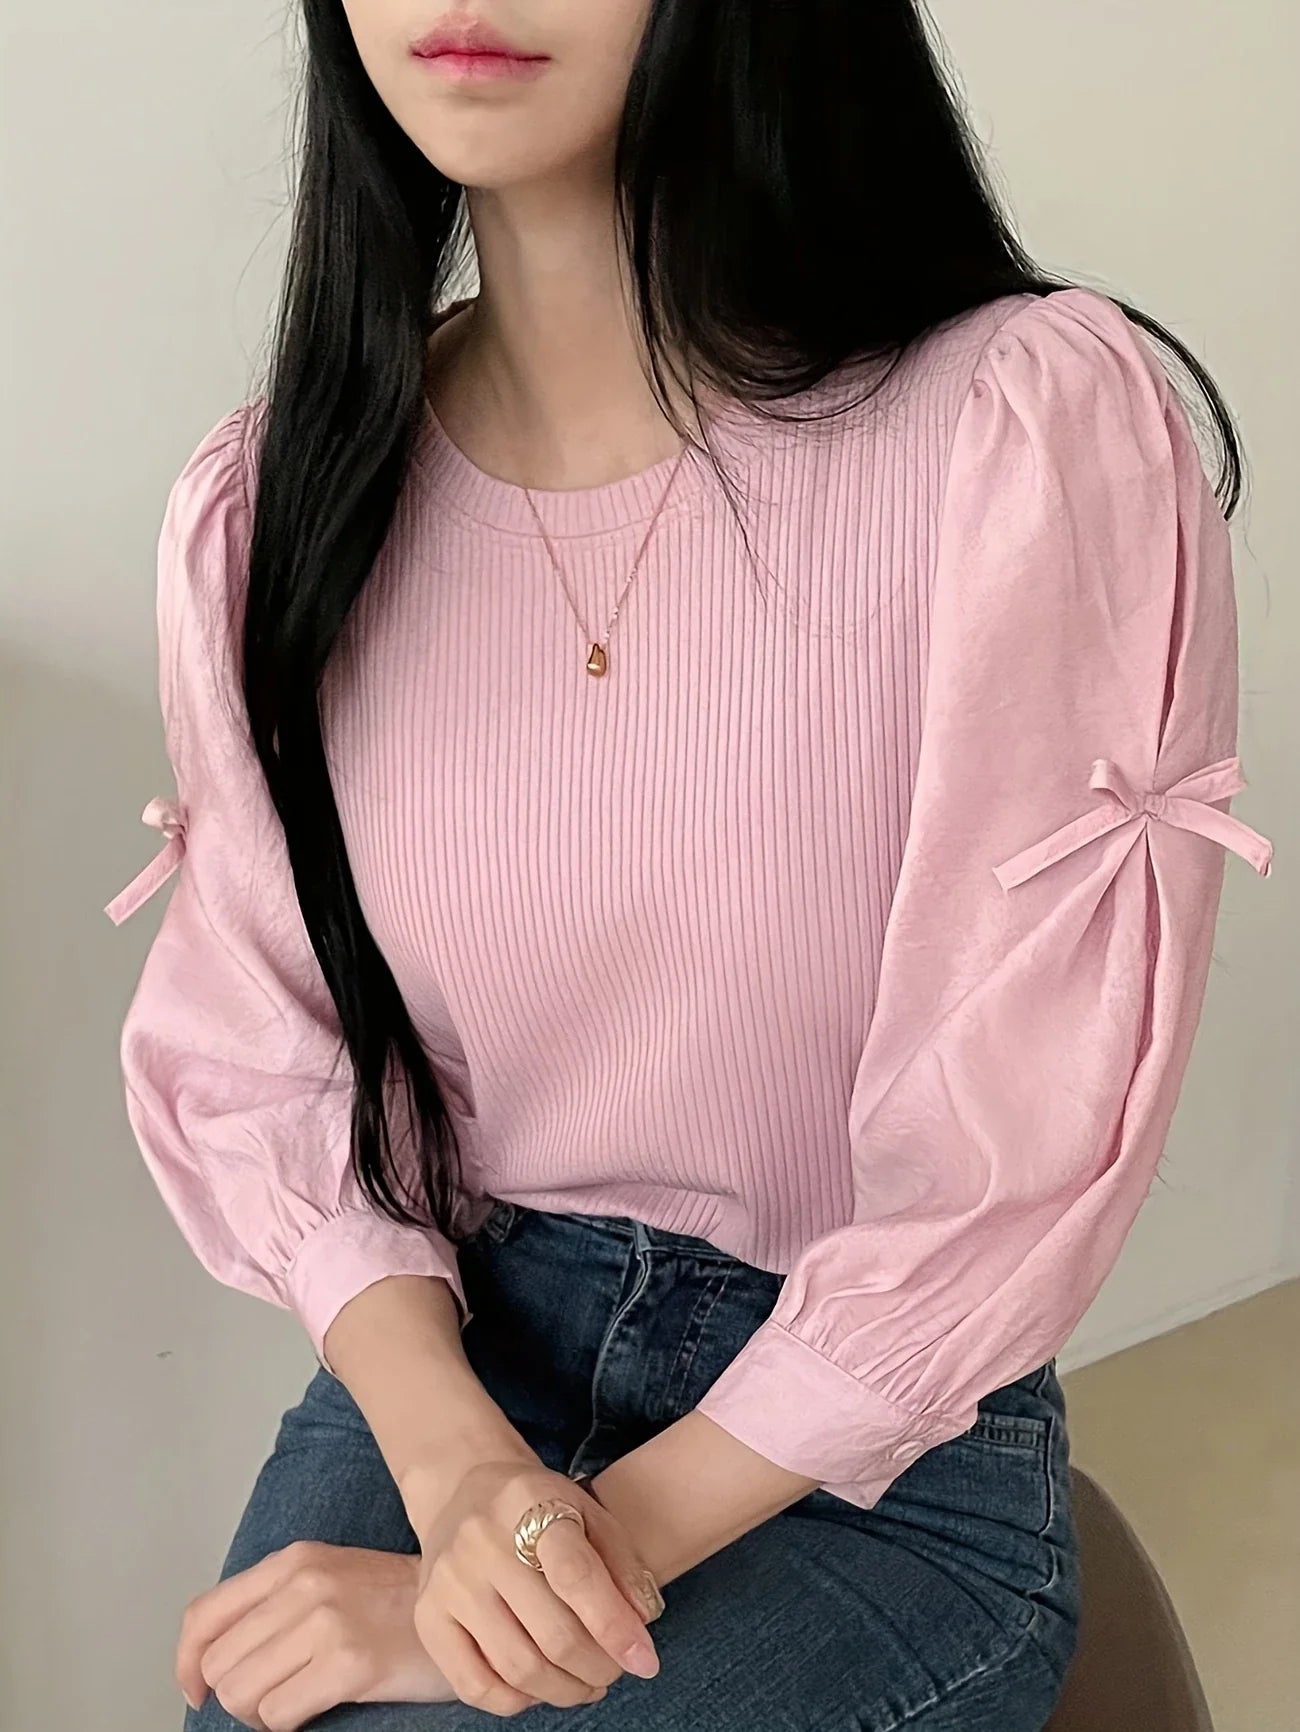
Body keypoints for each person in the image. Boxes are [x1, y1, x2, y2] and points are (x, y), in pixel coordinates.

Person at [104, 3, 1274, 1728]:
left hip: (875, 1461)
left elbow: (1017, 1151)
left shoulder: (1012, 431)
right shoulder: (281, 502)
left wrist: (521, 1578)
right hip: (463, 1356)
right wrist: (461, 1480)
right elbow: (267, 1052)